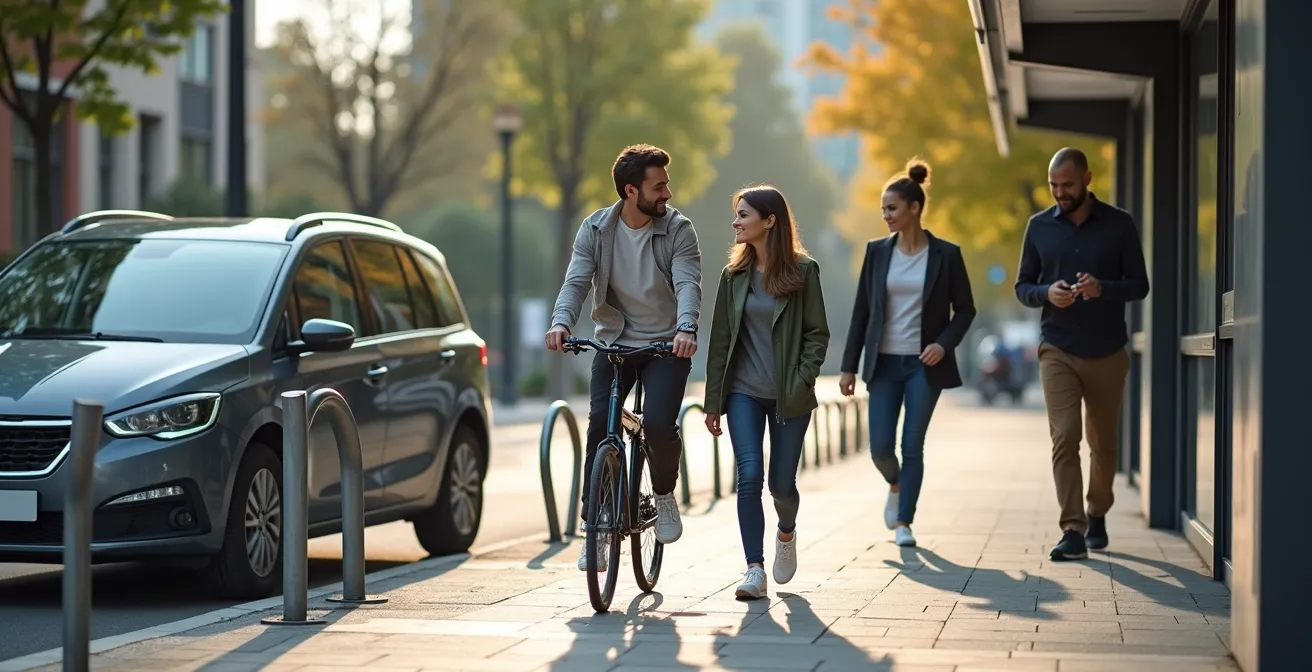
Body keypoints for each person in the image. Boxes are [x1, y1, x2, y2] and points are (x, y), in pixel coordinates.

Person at [545, 144, 702, 571]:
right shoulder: (595, 229)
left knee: (656, 424)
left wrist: (686, 328)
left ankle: (665, 495)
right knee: (601, 425)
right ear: (631, 191)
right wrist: (561, 322)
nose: (667, 193)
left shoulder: (678, 230)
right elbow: (576, 281)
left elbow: (689, 282)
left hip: (667, 345)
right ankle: (592, 531)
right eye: (659, 185)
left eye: (667, 184)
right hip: (615, 342)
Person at [1015, 147, 1149, 561]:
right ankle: (1073, 527)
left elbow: (1139, 285)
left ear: (1087, 180)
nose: (1060, 193)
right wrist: (1046, 293)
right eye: (1054, 185)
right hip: (1057, 347)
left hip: (1107, 350)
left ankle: (1098, 510)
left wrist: (1102, 289)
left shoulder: (1120, 224)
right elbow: (1023, 287)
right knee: (1065, 435)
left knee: (1103, 444)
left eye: (1067, 185)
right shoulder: (1038, 227)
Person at [838, 159, 976, 548]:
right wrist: (849, 367)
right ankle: (895, 483)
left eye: (892, 208)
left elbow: (965, 309)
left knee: (911, 444)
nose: (885, 215)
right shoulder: (877, 252)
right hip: (883, 364)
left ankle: (904, 522)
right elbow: (861, 311)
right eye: (883, 209)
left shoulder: (946, 255)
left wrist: (943, 343)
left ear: (915, 208)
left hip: (922, 366)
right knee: (880, 446)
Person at [702, 185, 830, 600]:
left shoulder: (803, 271)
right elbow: (720, 340)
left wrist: (802, 377)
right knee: (749, 476)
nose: (736, 222)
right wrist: (713, 402)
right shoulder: (732, 275)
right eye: (736, 214)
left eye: (744, 214)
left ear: (769, 220)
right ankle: (753, 569)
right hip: (743, 393)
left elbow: (817, 334)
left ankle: (786, 532)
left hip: (789, 396)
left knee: (781, 486)